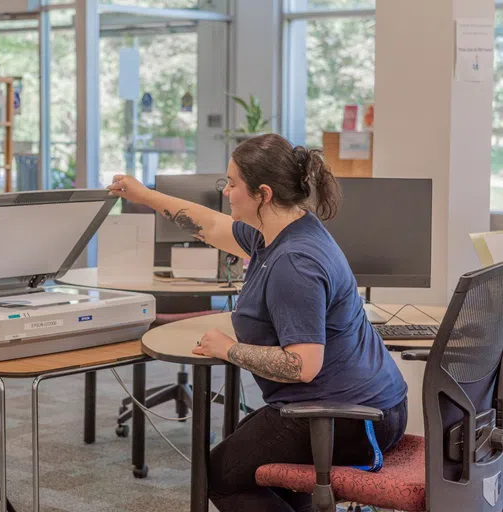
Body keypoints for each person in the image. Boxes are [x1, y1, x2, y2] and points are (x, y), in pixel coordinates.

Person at [107, 133, 408, 512]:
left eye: (233, 184)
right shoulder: (284, 230)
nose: (226, 192)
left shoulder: (293, 263)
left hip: (349, 420)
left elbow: (303, 365)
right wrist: (145, 195)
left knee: (222, 476)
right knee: (255, 466)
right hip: (362, 406)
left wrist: (229, 349)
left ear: (262, 193)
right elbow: (211, 227)